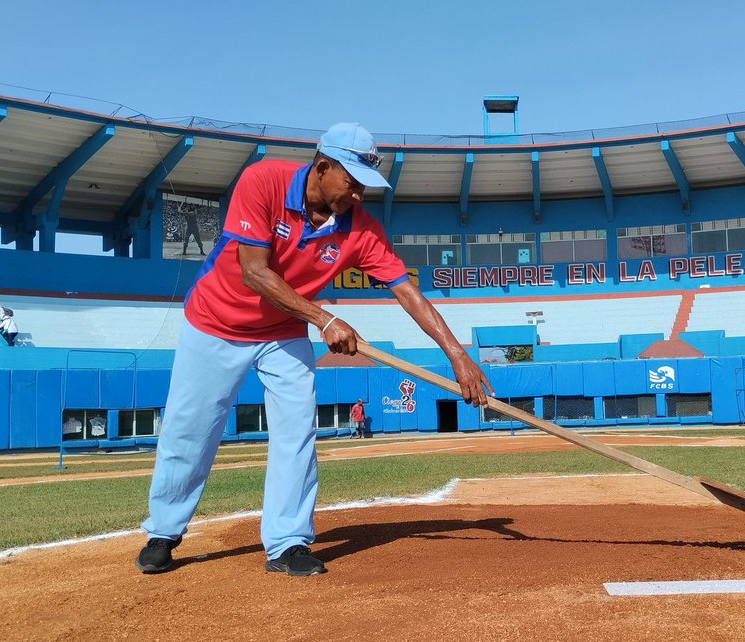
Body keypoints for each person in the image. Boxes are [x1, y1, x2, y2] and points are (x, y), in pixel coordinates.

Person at [135, 122, 493, 577]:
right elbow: (253, 273)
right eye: (353, 183)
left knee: (296, 432)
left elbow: (408, 292)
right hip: (215, 323)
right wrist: (324, 318)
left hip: (284, 331)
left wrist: (457, 354)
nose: (360, 196)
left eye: (365, 187)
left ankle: (287, 543)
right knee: (190, 429)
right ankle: (163, 531)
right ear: (323, 167)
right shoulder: (262, 181)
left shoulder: (361, 229)